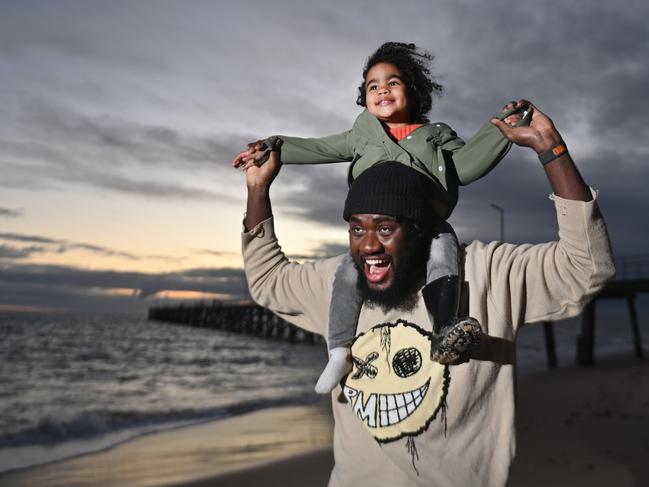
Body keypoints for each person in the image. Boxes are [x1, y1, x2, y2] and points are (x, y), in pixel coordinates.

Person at [237, 102, 615, 486]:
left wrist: (551, 148)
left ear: (419, 230)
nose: (368, 246)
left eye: (386, 229)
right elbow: (268, 281)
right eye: (356, 229)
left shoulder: (487, 274)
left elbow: (586, 268)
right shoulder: (338, 281)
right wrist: (257, 188)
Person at [232, 42, 530, 394]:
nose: (382, 90)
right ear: (364, 97)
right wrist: (270, 146)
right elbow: (318, 147)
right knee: (348, 271)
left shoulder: (436, 136)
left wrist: (500, 129)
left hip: (424, 225)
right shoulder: (362, 134)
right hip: (378, 231)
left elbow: (465, 167)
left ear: (413, 91)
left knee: (443, 251)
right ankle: (339, 350)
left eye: (393, 82)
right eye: (373, 86)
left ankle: (444, 331)